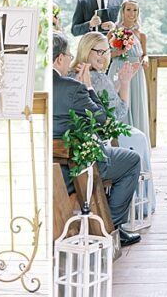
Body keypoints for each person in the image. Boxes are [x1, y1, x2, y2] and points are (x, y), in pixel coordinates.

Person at [52, 33, 142, 246]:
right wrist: (88, 88)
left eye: (105, 51)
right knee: (132, 160)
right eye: (67, 55)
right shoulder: (73, 87)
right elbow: (106, 123)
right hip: (74, 168)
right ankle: (111, 229)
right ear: (59, 59)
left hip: (52, 165)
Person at [75, 31, 155, 215]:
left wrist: (117, 83)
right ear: (87, 50)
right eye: (98, 52)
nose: (103, 57)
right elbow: (117, 114)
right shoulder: (98, 78)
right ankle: (128, 212)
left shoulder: (74, 73)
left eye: (106, 52)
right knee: (139, 139)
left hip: (84, 137)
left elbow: (102, 101)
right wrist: (125, 83)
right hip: (102, 138)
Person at [107, 0, 151, 137]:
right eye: (129, 10)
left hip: (135, 72)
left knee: (136, 103)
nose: (132, 13)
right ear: (123, 11)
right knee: (116, 102)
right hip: (118, 69)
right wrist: (119, 52)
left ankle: (137, 142)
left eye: (135, 10)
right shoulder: (113, 32)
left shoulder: (141, 35)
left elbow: (145, 54)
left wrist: (145, 60)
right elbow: (107, 55)